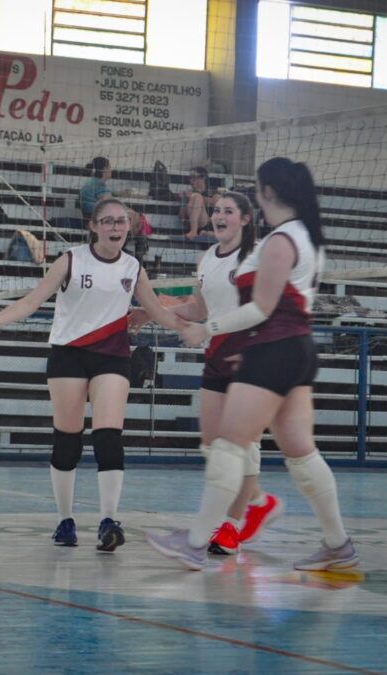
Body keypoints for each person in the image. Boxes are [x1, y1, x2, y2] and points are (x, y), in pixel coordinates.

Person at [147, 157, 357, 572]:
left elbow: (263, 308)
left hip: (275, 349)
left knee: (227, 445)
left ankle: (194, 542)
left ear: (266, 193)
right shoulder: (305, 236)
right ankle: (338, 545)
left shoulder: (279, 241)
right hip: (294, 349)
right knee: (300, 454)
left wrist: (208, 330)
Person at [0, 198, 189, 552]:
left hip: (112, 357)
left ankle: (109, 520)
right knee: (68, 441)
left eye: (122, 221)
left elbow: (159, 312)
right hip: (69, 354)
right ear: (93, 226)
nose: (116, 227)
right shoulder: (71, 260)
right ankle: (64, 520)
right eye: (108, 221)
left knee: (109, 436)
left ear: (130, 227)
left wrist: (204, 328)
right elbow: (31, 302)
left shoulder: (133, 267)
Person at [133, 192, 284, 555]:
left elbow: (268, 307)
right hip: (218, 349)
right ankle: (259, 502)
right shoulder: (206, 259)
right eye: (216, 210)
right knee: (213, 446)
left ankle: (228, 528)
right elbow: (199, 308)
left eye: (228, 211)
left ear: (245, 219)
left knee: (238, 446)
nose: (219, 216)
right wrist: (150, 312)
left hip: (253, 352)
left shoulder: (258, 255)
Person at [180, 167, 218, 240]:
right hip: (196, 225)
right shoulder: (188, 194)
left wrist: (200, 198)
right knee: (196, 197)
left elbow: (216, 204)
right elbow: (182, 217)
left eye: (194, 177)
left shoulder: (213, 193)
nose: (191, 181)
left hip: (210, 224)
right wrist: (185, 200)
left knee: (197, 196)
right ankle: (194, 231)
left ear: (203, 178)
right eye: (190, 178)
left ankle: (205, 233)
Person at [79, 157, 112, 221]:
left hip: (89, 218)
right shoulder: (97, 184)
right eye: (110, 167)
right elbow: (109, 200)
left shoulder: (93, 182)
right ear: (105, 169)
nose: (111, 170)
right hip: (94, 220)